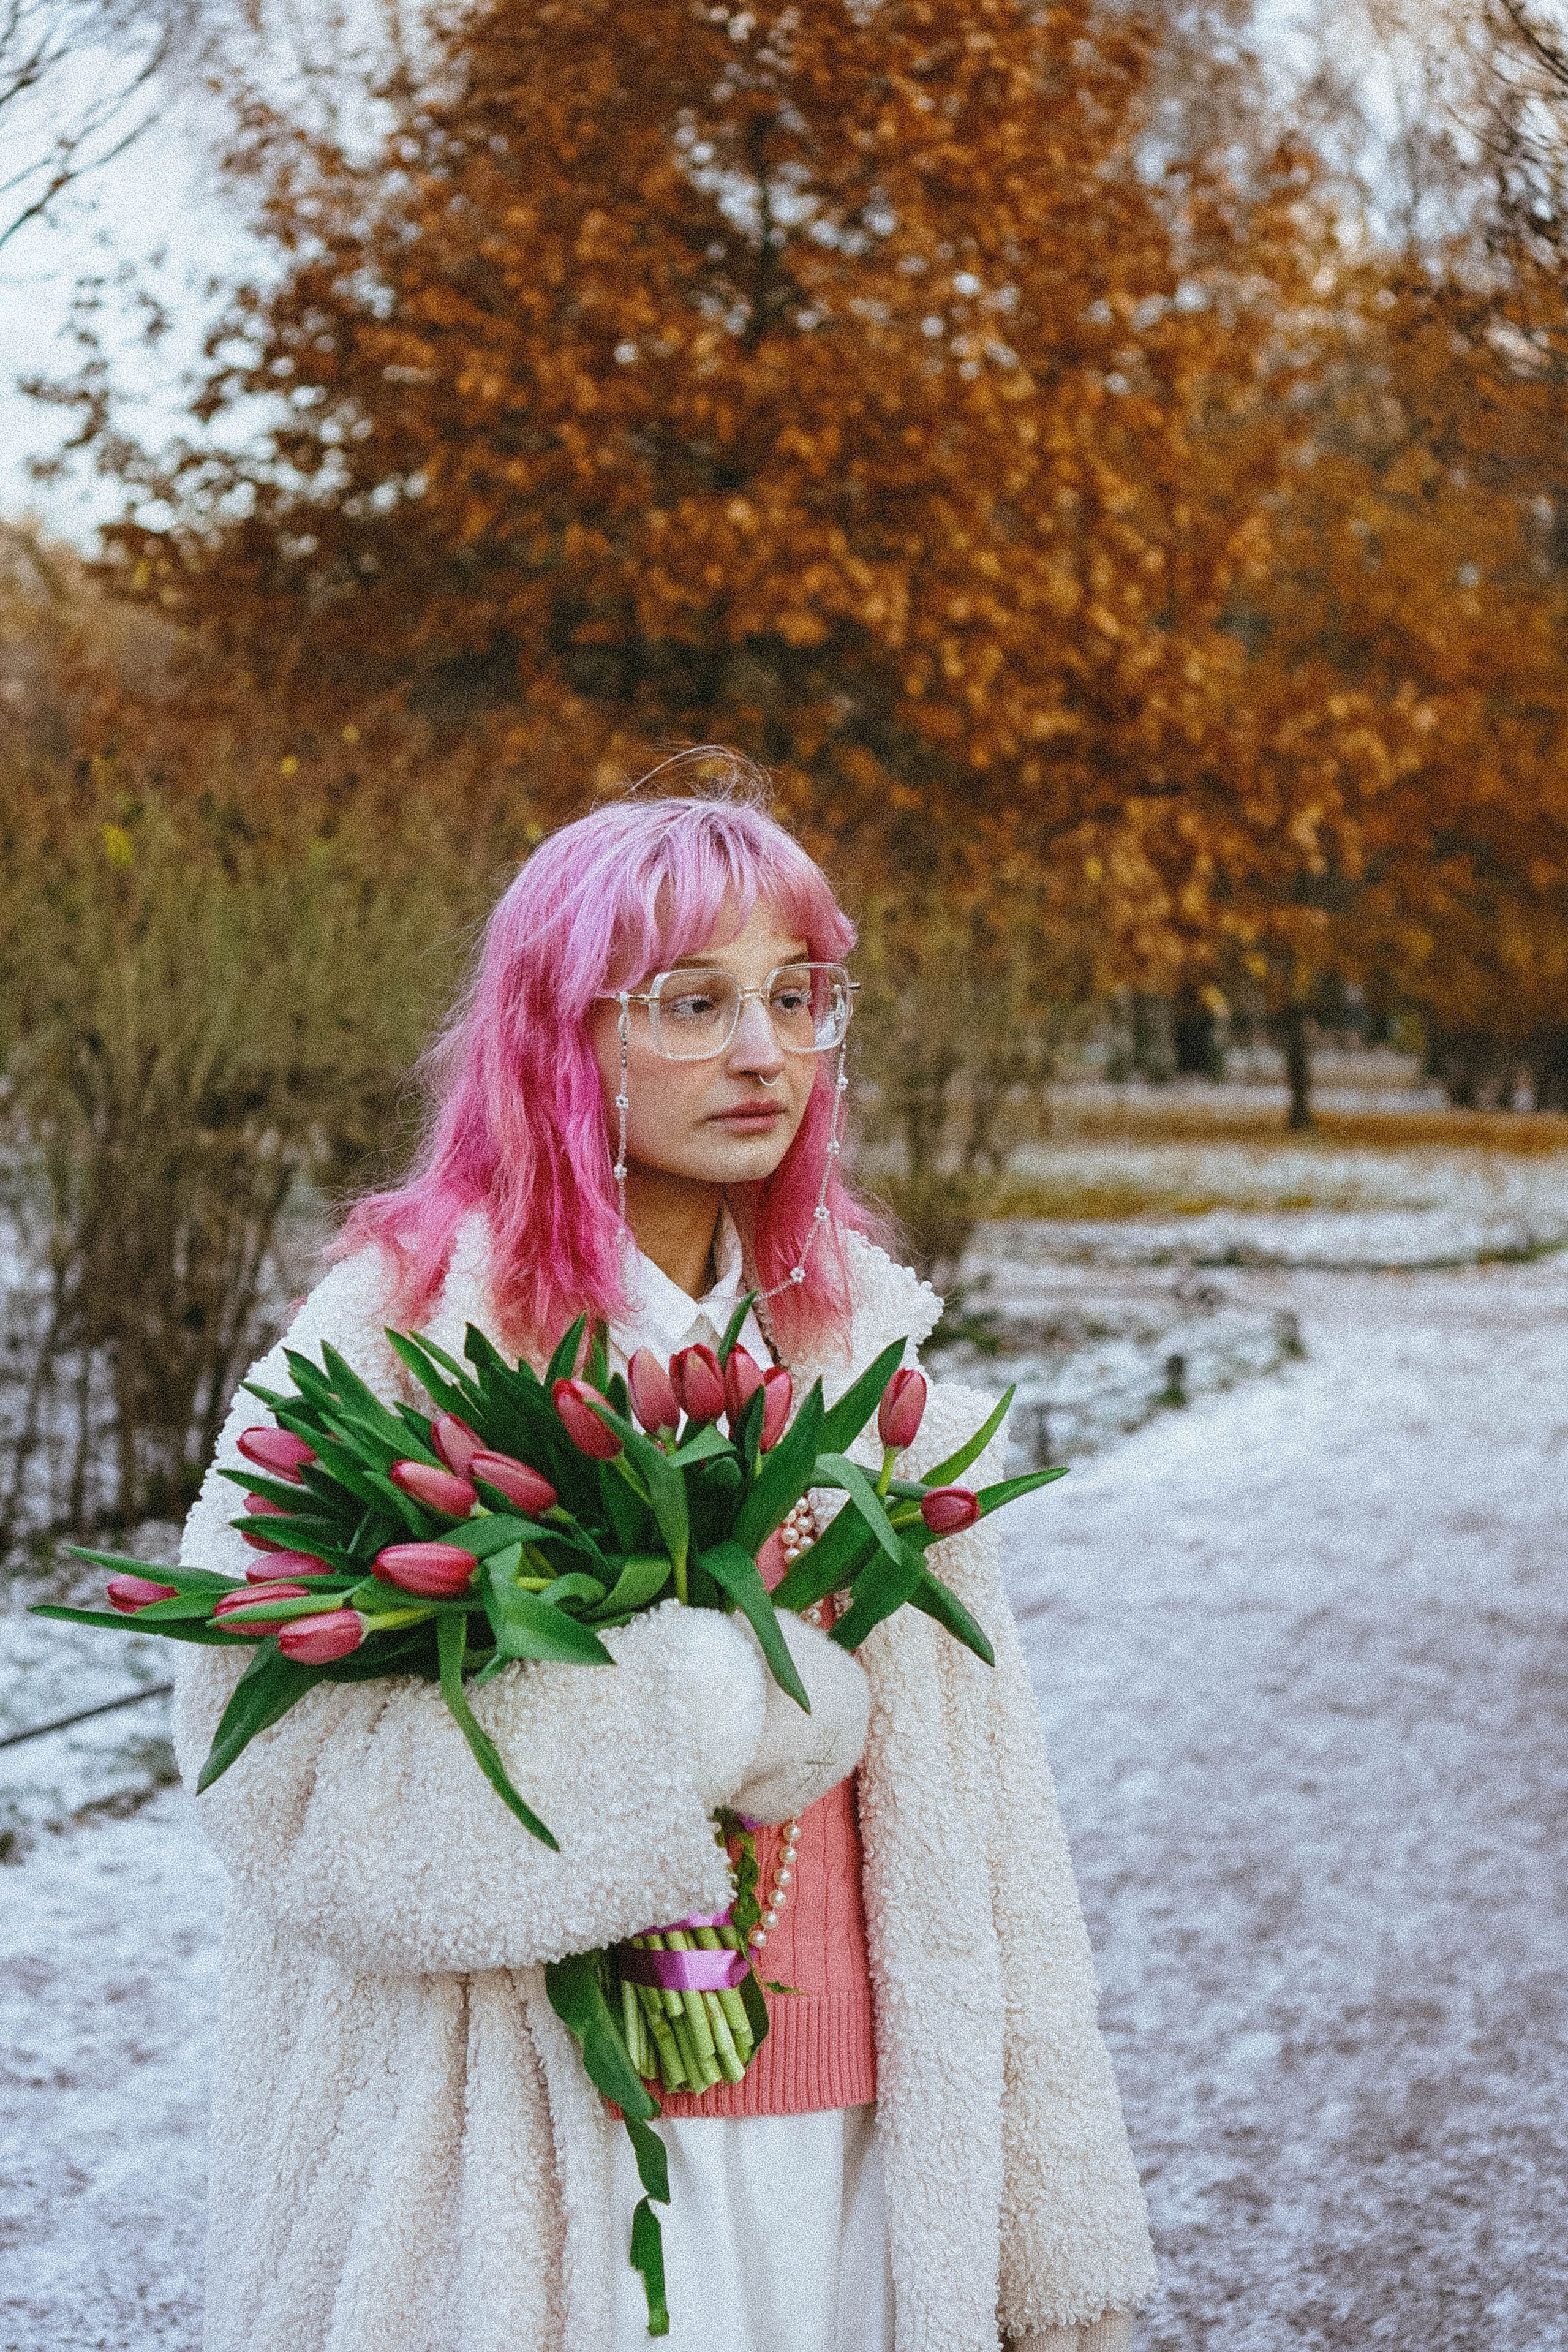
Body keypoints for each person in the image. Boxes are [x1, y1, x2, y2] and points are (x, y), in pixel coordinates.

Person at [173, 774, 1156, 2352]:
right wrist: (677, 1716)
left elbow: (992, 1847)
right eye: (694, 1003)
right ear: (560, 1034)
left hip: (857, 2130)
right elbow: (268, 1766)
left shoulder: (862, 1353)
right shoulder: (407, 1331)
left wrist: (1053, 2254)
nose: (763, 1050)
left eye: (794, 997)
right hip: (544, 2152)